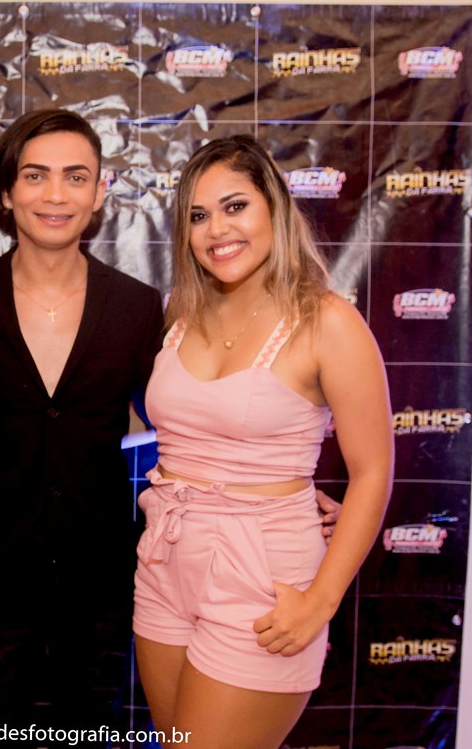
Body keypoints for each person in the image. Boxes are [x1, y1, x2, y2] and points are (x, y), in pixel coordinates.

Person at [132, 135, 393, 748]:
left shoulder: (328, 321)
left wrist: (321, 600)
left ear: (274, 206)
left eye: (235, 206)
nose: (217, 229)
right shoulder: (179, 315)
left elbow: (373, 471)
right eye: (199, 215)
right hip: (164, 561)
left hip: (264, 578)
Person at [0, 109, 165, 739]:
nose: (55, 194)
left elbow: (183, 423)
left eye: (75, 177)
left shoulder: (136, 306)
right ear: (5, 192)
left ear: (99, 193)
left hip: (101, 585)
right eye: (35, 175)